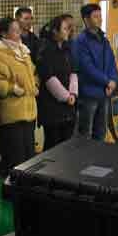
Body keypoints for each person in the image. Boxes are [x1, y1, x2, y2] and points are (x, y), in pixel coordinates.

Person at [0, 17, 38, 177]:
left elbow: (33, 72)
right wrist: (12, 88)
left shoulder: (23, 51)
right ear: (4, 34)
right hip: (12, 114)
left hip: (29, 111)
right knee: (14, 158)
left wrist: (35, 85)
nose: (19, 34)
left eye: (19, 30)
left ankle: (25, 188)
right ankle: (10, 187)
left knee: (28, 156)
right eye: (15, 31)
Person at [73, 3, 118, 141]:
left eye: (100, 16)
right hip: (89, 94)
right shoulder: (80, 41)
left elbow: (111, 62)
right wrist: (107, 81)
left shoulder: (104, 40)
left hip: (104, 93)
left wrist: (113, 81)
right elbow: (87, 67)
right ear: (86, 20)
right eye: (96, 16)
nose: (100, 19)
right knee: (85, 134)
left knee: (101, 132)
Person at [37, 16, 78, 150]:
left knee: (67, 146)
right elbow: (49, 78)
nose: (68, 31)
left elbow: (73, 72)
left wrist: (73, 94)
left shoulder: (67, 48)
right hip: (52, 108)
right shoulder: (46, 50)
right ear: (55, 31)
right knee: (53, 146)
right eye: (65, 29)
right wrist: (66, 96)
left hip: (69, 106)